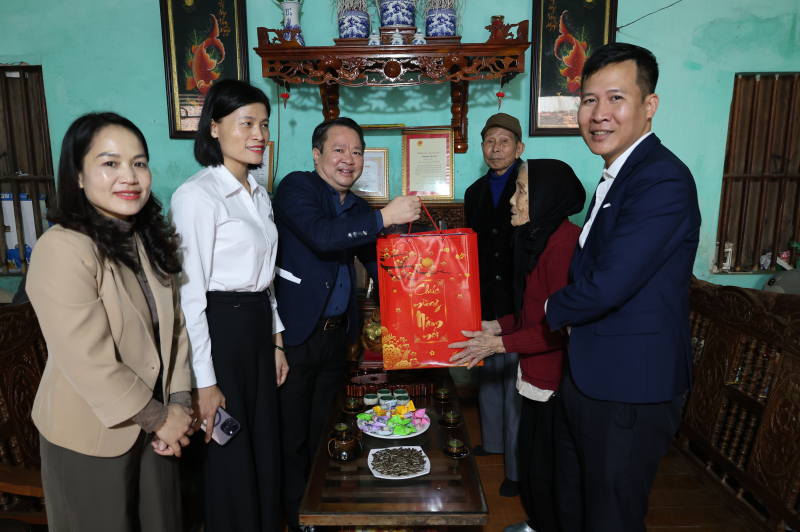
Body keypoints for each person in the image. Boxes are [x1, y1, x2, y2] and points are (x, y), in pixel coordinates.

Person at [544, 43, 701, 532]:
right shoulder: (617, 175)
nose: (599, 114)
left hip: (631, 384)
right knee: (574, 503)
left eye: (616, 98)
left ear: (649, 105)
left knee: (611, 515)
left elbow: (608, 284)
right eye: (589, 100)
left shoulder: (662, 179)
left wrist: (550, 308)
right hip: (590, 374)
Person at [27, 112, 194, 531]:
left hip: (156, 425)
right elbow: (88, 359)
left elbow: (176, 329)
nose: (130, 176)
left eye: (139, 163)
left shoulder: (145, 238)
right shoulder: (62, 248)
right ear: (78, 176)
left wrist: (179, 404)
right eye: (110, 163)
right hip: (90, 434)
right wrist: (162, 418)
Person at [273, 116, 421, 531]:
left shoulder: (357, 207)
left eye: (357, 152)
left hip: (337, 337)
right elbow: (323, 236)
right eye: (338, 150)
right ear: (316, 154)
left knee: (325, 430)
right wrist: (384, 217)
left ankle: (323, 509)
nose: (349, 159)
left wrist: (424, 294)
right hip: (295, 336)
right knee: (291, 437)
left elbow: (379, 266)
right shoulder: (295, 188)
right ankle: (298, 520)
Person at [170, 79, 289, 531]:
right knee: (227, 447)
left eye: (264, 124)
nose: (259, 134)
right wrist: (205, 382)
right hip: (220, 330)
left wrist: (276, 341)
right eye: (247, 123)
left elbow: (266, 279)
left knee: (262, 442)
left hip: (257, 327)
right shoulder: (197, 195)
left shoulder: (258, 193)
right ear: (214, 127)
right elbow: (189, 295)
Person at [450, 159, 585, 532]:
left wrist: (498, 345)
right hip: (534, 375)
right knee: (531, 461)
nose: (512, 200)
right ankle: (538, 521)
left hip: (554, 381)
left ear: (545, 197)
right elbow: (532, 313)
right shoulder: (538, 238)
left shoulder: (564, 246)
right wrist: (494, 325)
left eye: (522, 191)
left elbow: (557, 329)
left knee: (547, 467)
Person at [464, 112, 526, 496]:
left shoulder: (529, 184)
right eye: (490, 141)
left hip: (518, 295)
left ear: (519, 148)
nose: (496, 148)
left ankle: (516, 468)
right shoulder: (474, 191)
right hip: (484, 294)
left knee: (516, 379)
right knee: (487, 370)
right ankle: (492, 441)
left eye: (504, 141)